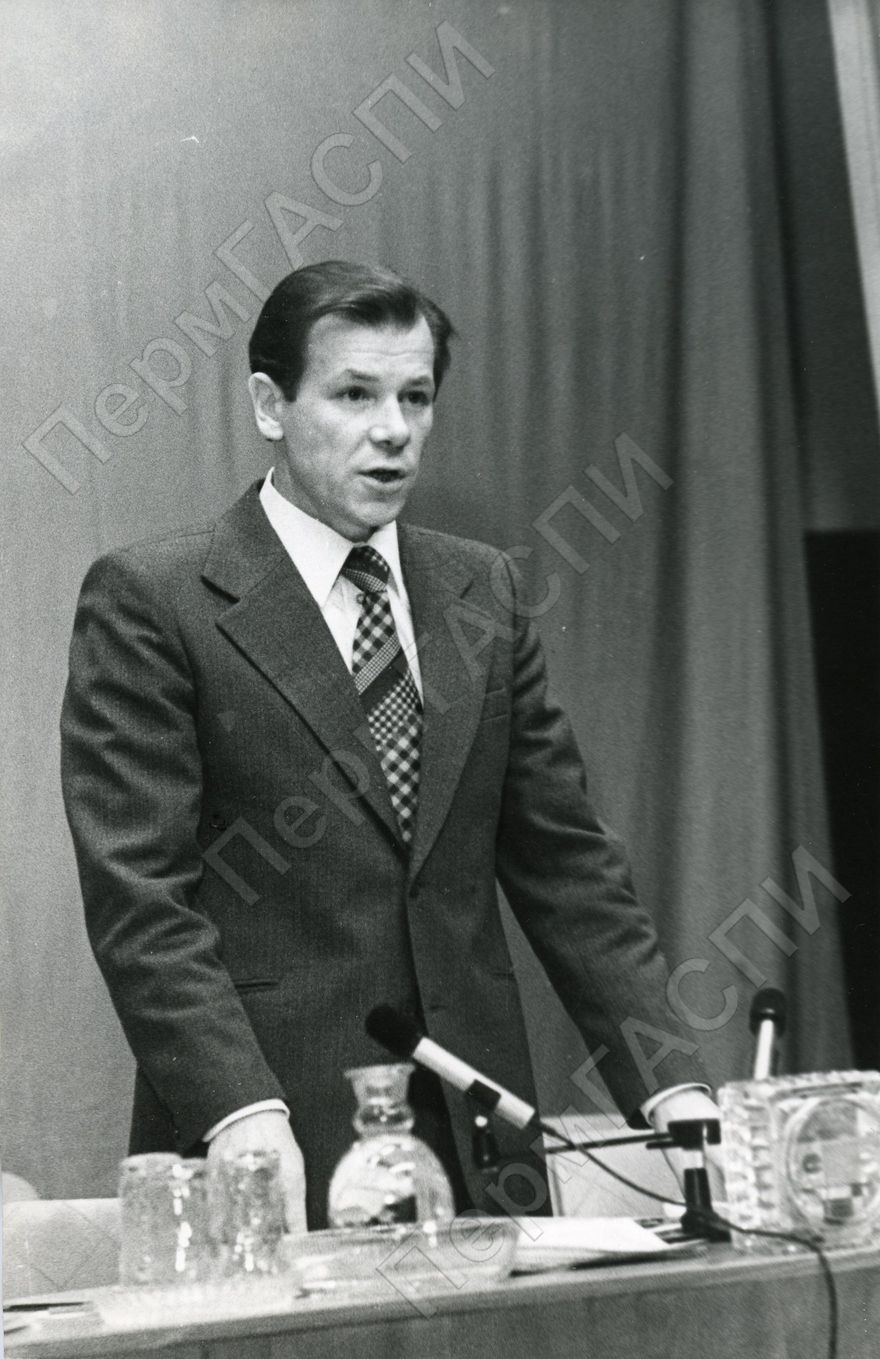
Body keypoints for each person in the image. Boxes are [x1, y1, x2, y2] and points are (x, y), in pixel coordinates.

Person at [61, 260, 715, 1231]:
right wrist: (241, 1110)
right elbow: (140, 900)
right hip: (271, 1136)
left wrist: (672, 1084)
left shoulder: (482, 590)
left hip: (478, 1141)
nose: (394, 429)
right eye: (355, 395)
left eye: (415, 396)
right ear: (270, 404)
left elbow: (568, 867)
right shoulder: (154, 599)